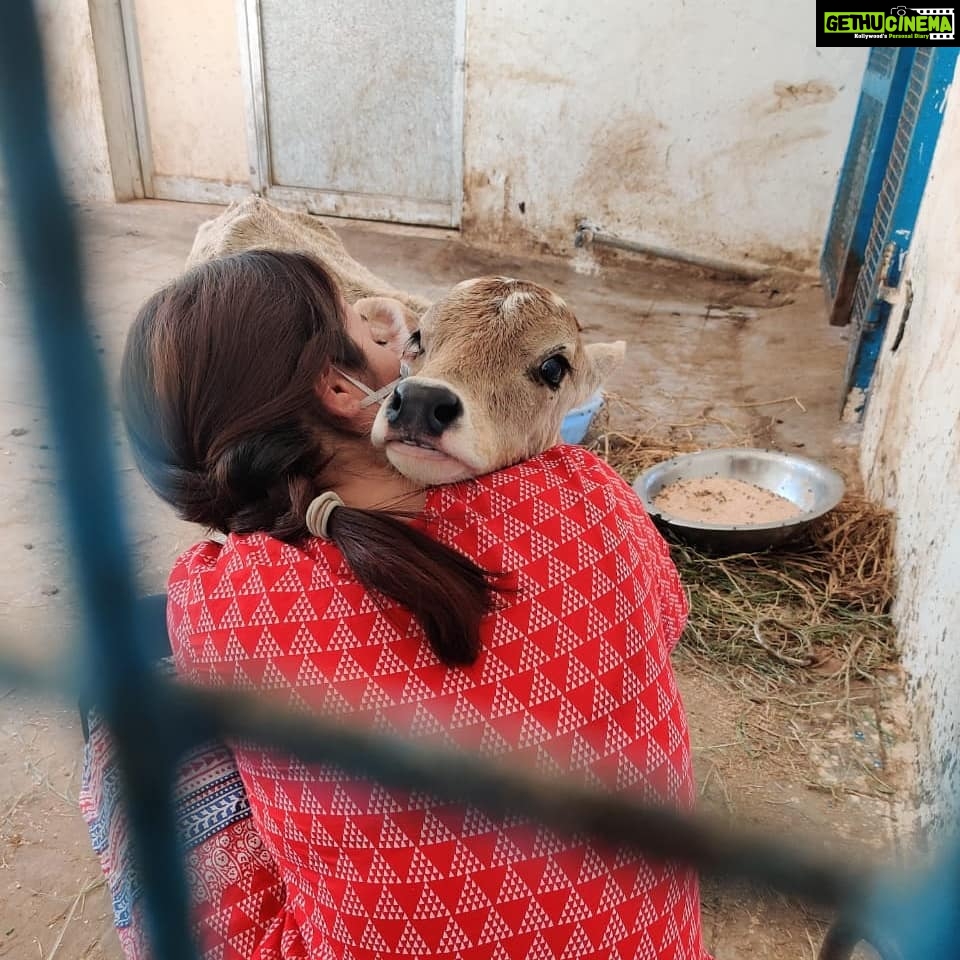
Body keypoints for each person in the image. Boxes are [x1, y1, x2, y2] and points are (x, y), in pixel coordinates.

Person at [82, 249, 710, 959]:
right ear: (338, 386)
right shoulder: (594, 496)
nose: (392, 323)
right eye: (389, 335)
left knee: (123, 723)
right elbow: (664, 625)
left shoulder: (213, 597)